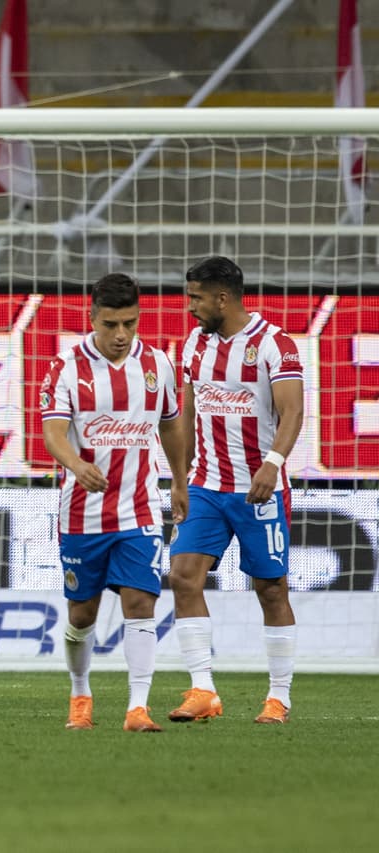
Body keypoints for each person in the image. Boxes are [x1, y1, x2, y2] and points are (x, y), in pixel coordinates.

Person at [40, 273, 190, 733]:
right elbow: (52, 433)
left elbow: (171, 425)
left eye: (129, 323)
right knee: (81, 614)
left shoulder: (158, 364)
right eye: (111, 324)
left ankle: (137, 708)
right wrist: (76, 465)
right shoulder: (66, 367)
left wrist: (180, 482)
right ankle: (80, 692)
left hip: (141, 508)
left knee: (141, 602)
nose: (121, 334)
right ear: (93, 318)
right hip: (83, 513)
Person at [167, 256, 304, 725]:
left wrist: (273, 464)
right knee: (184, 576)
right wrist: (179, 479)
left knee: (270, 589)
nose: (190, 307)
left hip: (257, 490)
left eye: (196, 298)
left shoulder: (274, 344)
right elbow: (186, 414)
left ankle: (278, 697)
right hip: (206, 486)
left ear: (222, 297)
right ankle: (203, 689)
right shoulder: (193, 345)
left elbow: (293, 412)